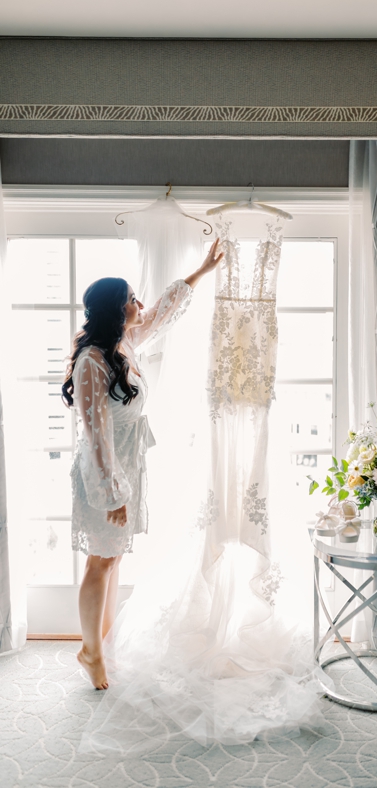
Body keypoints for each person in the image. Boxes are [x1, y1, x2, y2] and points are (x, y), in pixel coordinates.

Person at [61, 240, 223, 689]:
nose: (141, 304)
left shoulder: (123, 342)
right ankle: (90, 651)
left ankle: (102, 643)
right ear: (116, 308)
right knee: (100, 560)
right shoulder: (92, 361)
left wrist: (201, 271)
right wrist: (113, 492)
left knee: (112, 559)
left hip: (125, 470)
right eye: (132, 298)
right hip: (103, 474)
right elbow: (95, 436)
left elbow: (163, 312)